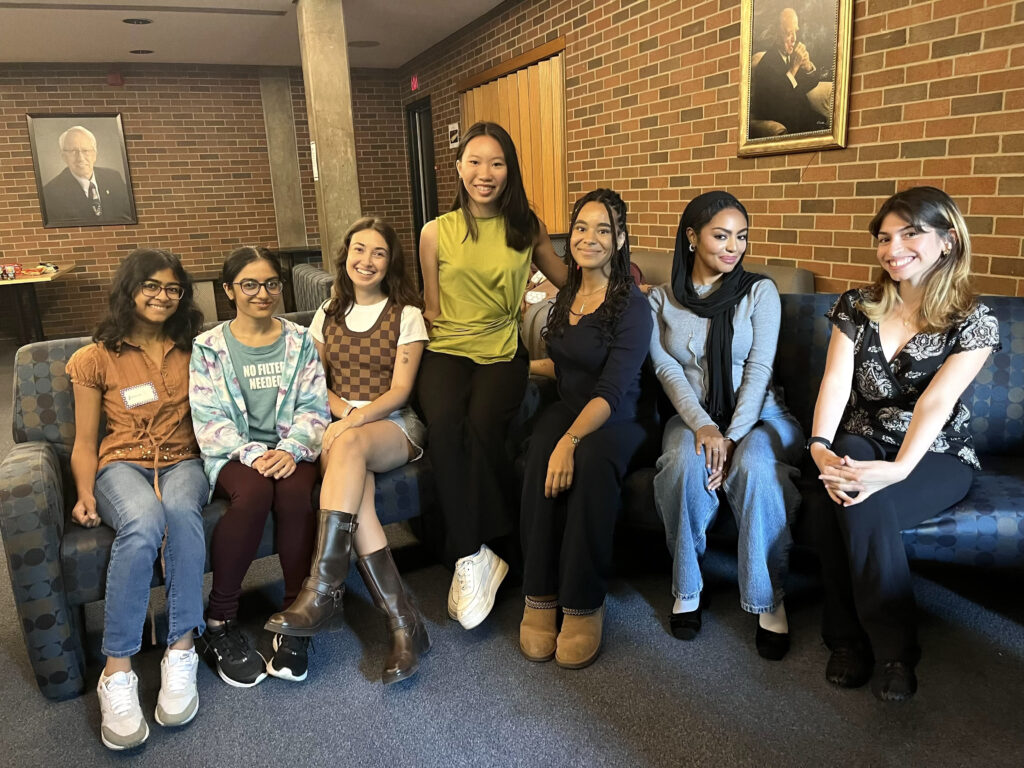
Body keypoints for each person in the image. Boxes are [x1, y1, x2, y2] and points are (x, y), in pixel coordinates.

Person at [810, 187, 1000, 702]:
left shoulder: (974, 319)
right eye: (884, 237)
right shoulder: (856, 305)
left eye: (910, 233)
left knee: (848, 502)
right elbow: (836, 381)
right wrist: (819, 445)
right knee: (846, 480)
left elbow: (936, 404)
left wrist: (898, 471)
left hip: (937, 453)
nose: (892, 249)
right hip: (861, 436)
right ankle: (878, 647)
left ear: (948, 239)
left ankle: (862, 641)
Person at [266, 218, 432, 685]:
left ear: (390, 262)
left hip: (392, 425)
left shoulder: (406, 314)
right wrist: (341, 414)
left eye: (378, 252)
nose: (367, 260)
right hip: (338, 425)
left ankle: (321, 591)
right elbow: (313, 381)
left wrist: (353, 420)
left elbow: (400, 391)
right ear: (346, 256)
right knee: (361, 502)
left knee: (349, 443)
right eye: (359, 249)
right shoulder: (328, 312)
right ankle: (404, 624)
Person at [416, 121, 566, 630]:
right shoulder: (435, 231)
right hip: (446, 350)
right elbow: (432, 307)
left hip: (502, 349)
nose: (485, 173)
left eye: (496, 163)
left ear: (509, 170)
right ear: (459, 168)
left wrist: (622, 285)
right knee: (444, 426)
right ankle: (473, 555)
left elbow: (566, 279)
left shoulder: (526, 227)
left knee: (483, 426)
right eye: (475, 162)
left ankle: (485, 552)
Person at [649, 191, 803, 660]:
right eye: (721, 236)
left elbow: (759, 370)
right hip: (694, 417)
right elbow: (667, 370)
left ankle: (767, 597)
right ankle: (687, 586)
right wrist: (704, 427)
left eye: (741, 236)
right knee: (682, 462)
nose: (734, 247)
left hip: (761, 416)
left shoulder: (759, 292)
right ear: (692, 237)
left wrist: (732, 437)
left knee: (755, 466)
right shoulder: (660, 300)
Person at [66, 249, 206, 750]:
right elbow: (85, 442)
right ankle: (117, 670)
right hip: (122, 462)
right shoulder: (95, 357)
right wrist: (85, 492)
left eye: (173, 289)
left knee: (182, 512)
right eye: (151, 285)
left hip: (185, 460)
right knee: (143, 521)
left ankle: (181, 649)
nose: (162, 296)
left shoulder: (196, 349)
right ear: (129, 289)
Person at [519, 189, 652, 669]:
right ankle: (539, 594)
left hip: (621, 418)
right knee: (539, 447)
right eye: (580, 227)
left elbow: (611, 391)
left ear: (620, 239)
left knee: (590, 460)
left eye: (603, 229)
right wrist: (521, 369)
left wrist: (571, 441)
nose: (589, 238)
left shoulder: (632, 306)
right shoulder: (568, 296)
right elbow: (566, 366)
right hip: (573, 405)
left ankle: (583, 603)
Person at [188, 246, 328, 686]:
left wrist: (291, 449)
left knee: (296, 495)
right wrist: (251, 454)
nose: (262, 293)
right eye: (249, 284)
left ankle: (295, 616)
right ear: (229, 290)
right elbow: (208, 419)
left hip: (292, 449)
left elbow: (315, 407)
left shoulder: (300, 341)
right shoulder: (208, 348)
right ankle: (219, 618)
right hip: (234, 453)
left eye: (271, 283)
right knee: (252, 494)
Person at [750, 8, 825, 134]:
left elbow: (809, 84)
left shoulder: (791, 56)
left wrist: (807, 66)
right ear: (776, 34)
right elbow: (776, 103)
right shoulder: (767, 64)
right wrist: (794, 68)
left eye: (796, 32)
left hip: (807, 119)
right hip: (789, 125)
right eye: (789, 33)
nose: (794, 38)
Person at [42, 125, 132, 225]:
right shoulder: (51, 193)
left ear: (95, 154)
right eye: (73, 151)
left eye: (85, 151)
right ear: (64, 157)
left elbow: (127, 217)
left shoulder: (114, 178)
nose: (80, 158)